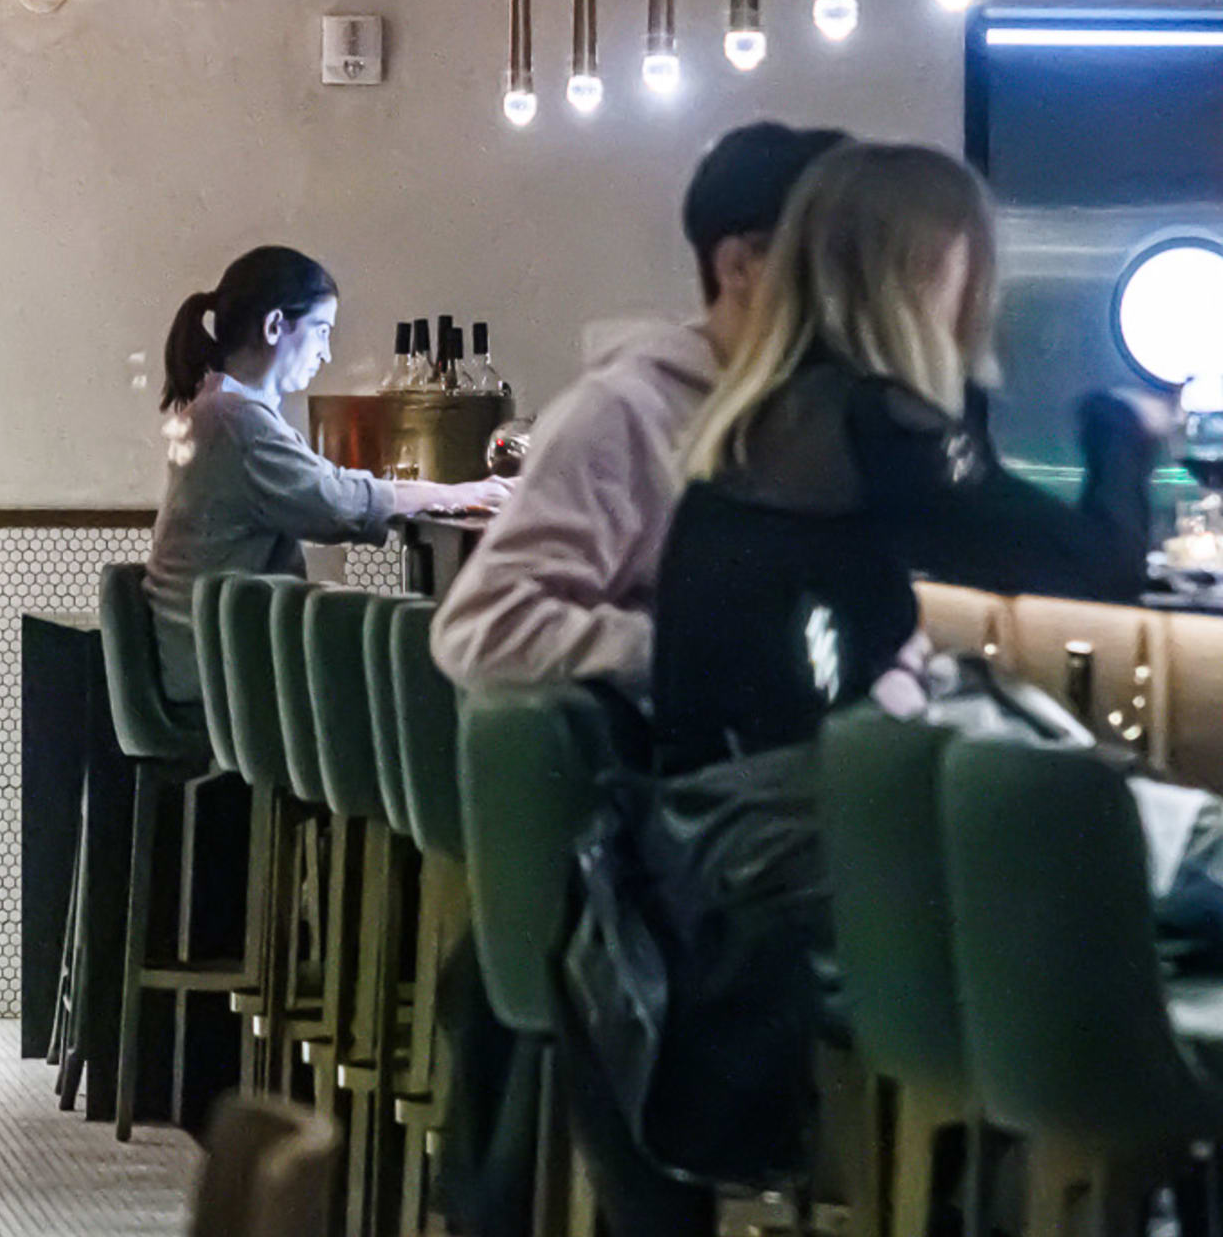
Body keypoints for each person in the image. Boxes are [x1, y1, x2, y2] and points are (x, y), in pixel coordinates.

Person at [650, 142, 1159, 772]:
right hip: (808, 833)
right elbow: (1095, 570)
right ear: (931, 274)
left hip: (708, 823)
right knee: (1193, 828)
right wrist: (1123, 428)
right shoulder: (880, 429)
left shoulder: (762, 416)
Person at [433, 121, 846, 697]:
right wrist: (702, 652)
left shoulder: (820, 415)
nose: (859, 290)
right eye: (837, 257)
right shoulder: (626, 415)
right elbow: (483, 628)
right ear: (740, 267)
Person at [144, 244, 506, 703]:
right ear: (275, 326)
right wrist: (466, 493)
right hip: (220, 671)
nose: (327, 354)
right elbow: (337, 503)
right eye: (321, 331)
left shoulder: (222, 410)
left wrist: (453, 492)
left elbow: (335, 489)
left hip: (206, 656)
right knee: (414, 648)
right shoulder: (235, 421)